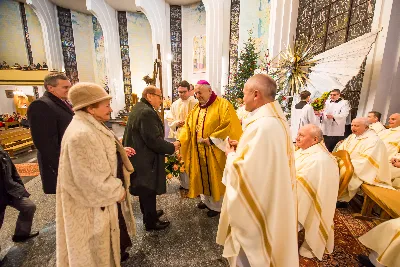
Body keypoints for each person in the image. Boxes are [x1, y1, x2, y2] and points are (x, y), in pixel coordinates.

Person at [216, 74, 299, 267]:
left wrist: (230, 155)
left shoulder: (264, 125)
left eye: (244, 94)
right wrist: (243, 145)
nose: (241, 98)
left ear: (255, 94)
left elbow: (247, 173)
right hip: (272, 193)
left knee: (251, 254)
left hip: (260, 201)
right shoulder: (274, 119)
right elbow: (263, 158)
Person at [56, 83, 136, 266]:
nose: (111, 109)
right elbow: (90, 180)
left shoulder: (89, 125)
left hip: (98, 205)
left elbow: (97, 155)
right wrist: (118, 191)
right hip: (91, 210)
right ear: (91, 108)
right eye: (106, 105)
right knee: (94, 256)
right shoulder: (82, 134)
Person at [178, 80, 242, 217]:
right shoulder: (196, 108)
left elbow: (229, 125)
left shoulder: (223, 105)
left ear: (210, 90)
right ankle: (206, 201)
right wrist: (179, 141)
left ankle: (217, 206)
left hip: (215, 150)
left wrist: (212, 139)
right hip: (198, 151)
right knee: (201, 175)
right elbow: (188, 127)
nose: (198, 96)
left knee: (215, 177)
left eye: (200, 92)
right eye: (195, 93)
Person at [123, 86, 179, 231]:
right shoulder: (146, 112)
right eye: (159, 96)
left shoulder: (140, 107)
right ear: (149, 96)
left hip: (140, 156)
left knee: (145, 189)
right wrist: (172, 147)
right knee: (147, 189)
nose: (162, 100)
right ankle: (150, 222)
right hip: (145, 159)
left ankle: (150, 213)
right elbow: (153, 140)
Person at [295, 124, 339, 260]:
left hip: (303, 198)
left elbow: (302, 187)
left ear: (315, 140)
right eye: (298, 134)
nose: (297, 138)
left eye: (301, 135)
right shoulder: (308, 150)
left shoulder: (318, 159)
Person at [27, 72, 74, 194]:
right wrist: (62, 166)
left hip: (69, 157)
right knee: (65, 200)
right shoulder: (41, 105)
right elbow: (44, 142)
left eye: (69, 86)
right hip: (59, 162)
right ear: (50, 88)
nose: (69, 90)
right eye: (65, 87)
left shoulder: (62, 102)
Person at [336, 118, 392, 207]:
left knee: (340, 172)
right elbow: (341, 150)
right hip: (348, 164)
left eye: (356, 126)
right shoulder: (353, 136)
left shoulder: (374, 141)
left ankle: (340, 199)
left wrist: (344, 165)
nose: (353, 128)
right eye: (352, 125)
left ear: (366, 127)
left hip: (364, 170)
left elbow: (365, 162)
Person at [0, 145, 38, 243]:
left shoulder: (1, 151)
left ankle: (21, 234)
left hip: (10, 190)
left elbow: (13, 171)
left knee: (29, 207)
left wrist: (20, 188)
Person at [166, 80, 197, 190]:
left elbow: (198, 120)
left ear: (189, 91)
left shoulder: (195, 103)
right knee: (179, 159)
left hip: (190, 137)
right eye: (179, 92)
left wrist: (187, 124)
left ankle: (193, 185)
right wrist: (176, 123)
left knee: (190, 160)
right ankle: (184, 184)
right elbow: (170, 118)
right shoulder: (175, 104)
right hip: (178, 134)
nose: (181, 94)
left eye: (184, 92)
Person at [378, 113, 400, 188]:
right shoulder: (384, 131)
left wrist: (397, 158)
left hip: (388, 160)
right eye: (389, 119)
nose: (389, 121)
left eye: (393, 119)